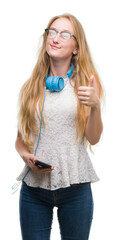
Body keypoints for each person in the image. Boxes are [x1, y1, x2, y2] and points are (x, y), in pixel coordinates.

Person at [15, 13, 103, 240]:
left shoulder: (86, 86)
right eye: (52, 32)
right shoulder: (31, 88)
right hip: (34, 191)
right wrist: (27, 157)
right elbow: (20, 141)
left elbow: (93, 138)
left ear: (76, 47)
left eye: (65, 34)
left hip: (76, 189)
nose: (56, 38)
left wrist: (95, 107)